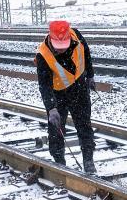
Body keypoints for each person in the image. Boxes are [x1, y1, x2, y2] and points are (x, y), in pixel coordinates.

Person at [35, 20, 96, 174]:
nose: (61, 50)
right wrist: (52, 108)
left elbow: (86, 53)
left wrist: (90, 75)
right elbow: (44, 85)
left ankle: (88, 161)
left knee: (84, 126)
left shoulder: (77, 36)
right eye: (58, 48)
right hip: (58, 95)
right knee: (56, 131)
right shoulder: (43, 54)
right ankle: (59, 163)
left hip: (79, 89)